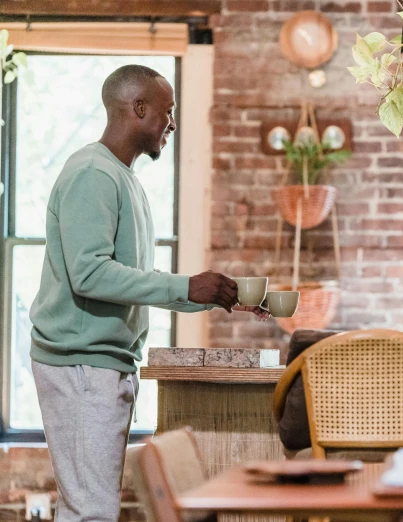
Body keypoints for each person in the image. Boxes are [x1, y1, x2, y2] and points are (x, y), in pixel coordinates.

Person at [28, 64, 267, 522]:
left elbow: (127, 278)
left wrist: (211, 294)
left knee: (88, 507)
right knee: (90, 512)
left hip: (99, 364)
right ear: (138, 108)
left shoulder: (121, 178)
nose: (171, 123)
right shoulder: (93, 174)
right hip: (80, 365)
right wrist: (185, 285)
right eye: (167, 111)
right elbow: (90, 275)